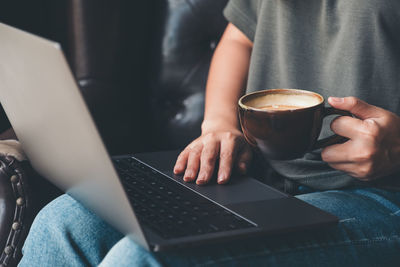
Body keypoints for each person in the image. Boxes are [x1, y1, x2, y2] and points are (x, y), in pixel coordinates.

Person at [19, 0, 400, 266]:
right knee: (64, 221)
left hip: (382, 197)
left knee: (147, 261)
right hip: (267, 181)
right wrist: (219, 123)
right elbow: (238, 38)